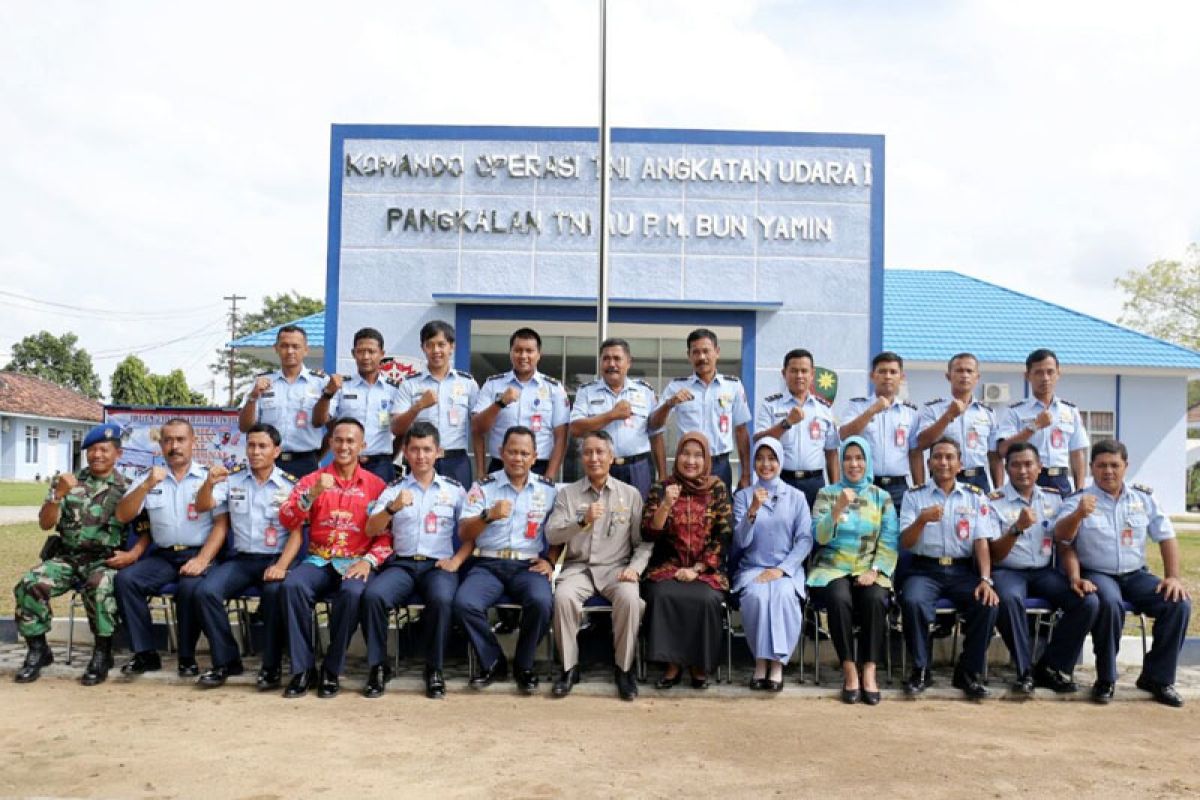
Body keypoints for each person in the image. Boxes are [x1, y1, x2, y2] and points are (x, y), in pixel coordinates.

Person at [1055, 440, 1192, 706]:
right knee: (1109, 603)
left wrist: (1173, 577)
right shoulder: (1079, 500)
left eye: (1114, 465)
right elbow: (1062, 538)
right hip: (1097, 572)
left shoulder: (1143, 498)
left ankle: (1158, 678)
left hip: (1136, 574)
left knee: (1178, 603)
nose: (1108, 471)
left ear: (1125, 467)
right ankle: (1106, 678)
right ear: (1092, 468)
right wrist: (1079, 515)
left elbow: (1166, 537)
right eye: (1102, 465)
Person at [276, 418, 390, 699]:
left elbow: (387, 536)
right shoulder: (312, 480)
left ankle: (331, 667)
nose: (344, 446)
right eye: (339, 440)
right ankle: (303, 669)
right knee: (292, 587)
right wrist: (312, 495)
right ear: (330, 443)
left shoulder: (377, 486)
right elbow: (287, 517)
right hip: (318, 560)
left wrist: (368, 562)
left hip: (355, 561)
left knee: (352, 593)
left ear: (362, 446)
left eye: (351, 441)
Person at [13, 423, 134, 686]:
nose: (97, 455)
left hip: (106, 560)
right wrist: (57, 495)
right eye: (92, 450)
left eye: (104, 449)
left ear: (118, 454)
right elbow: (45, 523)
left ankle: (103, 652)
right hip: (67, 558)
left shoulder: (129, 488)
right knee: (30, 582)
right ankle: (38, 650)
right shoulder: (69, 483)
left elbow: (144, 530)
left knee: (99, 585)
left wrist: (132, 555)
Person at [360, 421, 471, 700]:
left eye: (426, 449)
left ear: (439, 452)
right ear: (405, 454)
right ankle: (378, 666)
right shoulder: (393, 489)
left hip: (438, 566)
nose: (421, 456)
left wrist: (457, 560)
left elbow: (472, 531)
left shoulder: (455, 490)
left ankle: (434, 669)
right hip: (403, 565)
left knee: (443, 600)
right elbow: (371, 529)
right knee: (373, 596)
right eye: (414, 450)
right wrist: (391, 507)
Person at [114, 418, 229, 678]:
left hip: (200, 553)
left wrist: (202, 560)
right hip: (164, 556)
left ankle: (186, 657)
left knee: (190, 586)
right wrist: (145, 487)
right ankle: (145, 654)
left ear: (193, 443)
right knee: (127, 580)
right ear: (161, 445)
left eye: (180, 440)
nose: (174, 446)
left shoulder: (209, 478)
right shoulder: (150, 478)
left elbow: (221, 526)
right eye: (168, 440)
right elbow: (122, 514)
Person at [190, 423, 300, 690]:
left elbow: (296, 534)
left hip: (275, 558)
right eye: (251, 445)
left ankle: (271, 668)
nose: (255, 451)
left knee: (275, 594)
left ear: (276, 451)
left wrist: (282, 566)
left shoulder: (290, 485)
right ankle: (226, 661)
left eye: (262, 446)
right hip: (241, 560)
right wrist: (208, 484)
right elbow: (203, 505)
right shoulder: (232, 479)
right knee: (206, 592)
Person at [987, 442, 1099, 696]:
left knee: (1087, 602)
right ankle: (1024, 671)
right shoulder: (994, 501)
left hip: (1043, 571)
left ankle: (1052, 667)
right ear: (1007, 469)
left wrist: (1074, 577)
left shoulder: (1054, 498)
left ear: (1039, 468)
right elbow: (994, 554)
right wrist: (1016, 528)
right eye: (1015, 465)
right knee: (1008, 598)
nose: (1023, 470)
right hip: (1008, 570)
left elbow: (1065, 540)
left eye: (1029, 464)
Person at [545, 430, 648, 700]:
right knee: (564, 597)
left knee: (629, 598)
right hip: (579, 568)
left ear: (611, 457)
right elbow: (552, 534)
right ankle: (569, 668)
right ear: (581, 458)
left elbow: (644, 543)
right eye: (588, 452)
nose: (594, 458)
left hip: (617, 568)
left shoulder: (631, 494)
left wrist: (635, 568)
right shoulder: (568, 495)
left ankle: (624, 670)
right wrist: (581, 521)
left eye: (600, 452)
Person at [454, 426, 558, 694]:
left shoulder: (548, 490)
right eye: (512, 451)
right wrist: (487, 515)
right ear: (501, 453)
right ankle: (493, 661)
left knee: (542, 601)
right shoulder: (483, 487)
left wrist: (550, 560)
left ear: (535, 457)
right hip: (488, 563)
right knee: (465, 602)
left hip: (528, 565)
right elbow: (464, 531)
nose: (518, 458)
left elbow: (560, 532)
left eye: (525, 453)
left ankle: (524, 666)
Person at [898, 437, 1000, 699]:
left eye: (949, 457)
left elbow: (981, 542)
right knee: (912, 601)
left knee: (987, 604)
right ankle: (921, 670)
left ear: (960, 464)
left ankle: (968, 672)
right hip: (924, 569)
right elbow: (906, 542)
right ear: (929, 463)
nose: (943, 462)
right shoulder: (914, 496)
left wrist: (986, 579)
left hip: (962, 571)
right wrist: (921, 520)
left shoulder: (975, 497)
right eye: (938, 457)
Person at [807, 435, 899, 705]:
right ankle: (849, 668)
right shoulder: (827, 493)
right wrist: (836, 509)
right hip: (832, 568)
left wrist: (875, 570)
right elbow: (819, 537)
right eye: (848, 458)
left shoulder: (881, 497)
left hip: (870, 568)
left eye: (859, 458)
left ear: (868, 461)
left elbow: (890, 540)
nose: (853, 464)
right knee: (838, 598)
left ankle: (869, 670)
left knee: (875, 599)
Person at [641, 431, 734, 689]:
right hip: (667, 566)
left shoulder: (717, 487)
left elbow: (725, 533)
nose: (690, 461)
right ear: (677, 455)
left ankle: (698, 665)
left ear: (706, 460)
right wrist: (666, 505)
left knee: (706, 599)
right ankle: (671, 665)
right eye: (685, 453)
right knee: (663, 595)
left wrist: (697, 568)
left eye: (697, 455)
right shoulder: (662, 487)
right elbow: (648, 532)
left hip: (705, 569)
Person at [731, 437, 813, 693]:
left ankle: (776, 664)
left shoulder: (797, 497)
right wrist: (752, 511)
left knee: (784, 596)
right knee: (757, 597)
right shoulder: (744, 496)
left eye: (772, 458)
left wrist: (782, 569)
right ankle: (760, 663)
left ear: (780, 461)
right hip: (753, 568)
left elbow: (805, 539)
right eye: (760, 458)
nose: (765, 464)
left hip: (785, 569)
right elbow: (740, 541)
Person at [650, 328, 752, 493]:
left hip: (720, 465)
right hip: (687, 466)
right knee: (686, 515)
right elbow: (654, 426)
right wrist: (669, 404)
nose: (702, 357)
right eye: (696, 352)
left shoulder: (733, 386)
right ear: (689, 355)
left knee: (721, 516)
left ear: (717, 352)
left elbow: (741, 431)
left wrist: (746, 474)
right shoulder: (676, 387)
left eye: (706, 351)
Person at [569, 337, 665, 499]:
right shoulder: (586, 392)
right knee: (601, 518)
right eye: (606, 359)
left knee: (639, 518)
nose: (611, 364)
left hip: (638, 468)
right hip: (601, 467)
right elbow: (576, 429)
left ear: (628, 362)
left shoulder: (644, 391)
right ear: (600, 363)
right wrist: (611, 415)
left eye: (617, 359)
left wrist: (662, 475)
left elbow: (656, 434)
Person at [393, 319, 480, 488]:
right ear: (423, 348)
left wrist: (481, 468)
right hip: (421, 460)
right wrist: (418, 406)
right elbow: (396, 428)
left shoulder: (467, 383)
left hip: (455, 462)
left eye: (441, 344)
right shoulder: (410, 384)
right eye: (430, 345)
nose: (436, 350)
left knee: (459, 512)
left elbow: (477, 429)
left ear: (452, 346)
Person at [473, 327, 570, 478]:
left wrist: (550, 475)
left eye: (529, 351)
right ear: (510, 353)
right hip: (500, 466)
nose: (523, 355)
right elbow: (477, 428)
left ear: (539, 355)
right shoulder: (493, 385)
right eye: (518, 350)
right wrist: (500, 403)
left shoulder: (554, 389)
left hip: (539, 467)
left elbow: (561, 437)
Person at [238, 324, 330, 478]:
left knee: (306, 502)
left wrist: (315, 456)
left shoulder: (321, 383)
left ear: (306, 350)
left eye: (296, 346)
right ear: (276, 348)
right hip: (269, 462)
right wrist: (253, 396)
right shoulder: (261, 382)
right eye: (284, 346)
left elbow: (329, 427)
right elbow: (244, 426)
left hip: (306, 461)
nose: (290, 351)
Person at [312, 327, 403, 482]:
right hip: (346, 463)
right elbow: (319, 421)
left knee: (382, 506)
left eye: (371, 351)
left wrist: (386, 457)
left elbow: (402, 432)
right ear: (353, 354)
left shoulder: (395, 389)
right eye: (360, 351)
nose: (366, 356)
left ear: (382, 354)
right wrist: (327, 394)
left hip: (381, 465)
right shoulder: (341, 386)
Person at [754, 348, 840, 507]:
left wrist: (835, 488)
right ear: (784, 373)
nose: (799, 376)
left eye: (804, 371)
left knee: (814, 530)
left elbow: (832, 452)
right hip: (781, 480)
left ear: (812, 374)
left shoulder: (824, 408)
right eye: (793, 371)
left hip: (814, 483)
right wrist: (786, 423)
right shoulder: (771, 405)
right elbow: (758, 440)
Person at [996, 348, 1089, 494]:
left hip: (1060, 481)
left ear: (1058, 374)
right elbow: (1003, 449)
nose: (1045, 378)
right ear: (1027, 376)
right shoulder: (1015, 411)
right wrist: (1034, 426)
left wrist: (1080, 489)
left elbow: (1077, 453)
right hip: (1027, 481)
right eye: (1038, 372)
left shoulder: (1070, 411)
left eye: (1050, 372)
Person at [838, 351, 923, 510]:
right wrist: (871, 411)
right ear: (872, 376)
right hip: (865, 485)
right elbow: (844, 435)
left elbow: (915, 453)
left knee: (897, 533)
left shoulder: (910, 412)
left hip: (898, 488)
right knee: (864, 533)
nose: (888, 376)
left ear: (901, 377)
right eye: (882, 371)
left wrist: (920, 489)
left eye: (893, 372)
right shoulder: (857, 406)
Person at [916, 353, 1000, 492]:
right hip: (944, 477)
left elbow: (994, 456)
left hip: (977, 479)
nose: (964, 375)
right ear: (948, 376)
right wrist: (948, 415)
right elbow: (922, 443)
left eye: (969, 371)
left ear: (977, 377)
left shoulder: (987, 413)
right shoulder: (933, 409)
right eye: (959, 370)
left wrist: (999, 489)